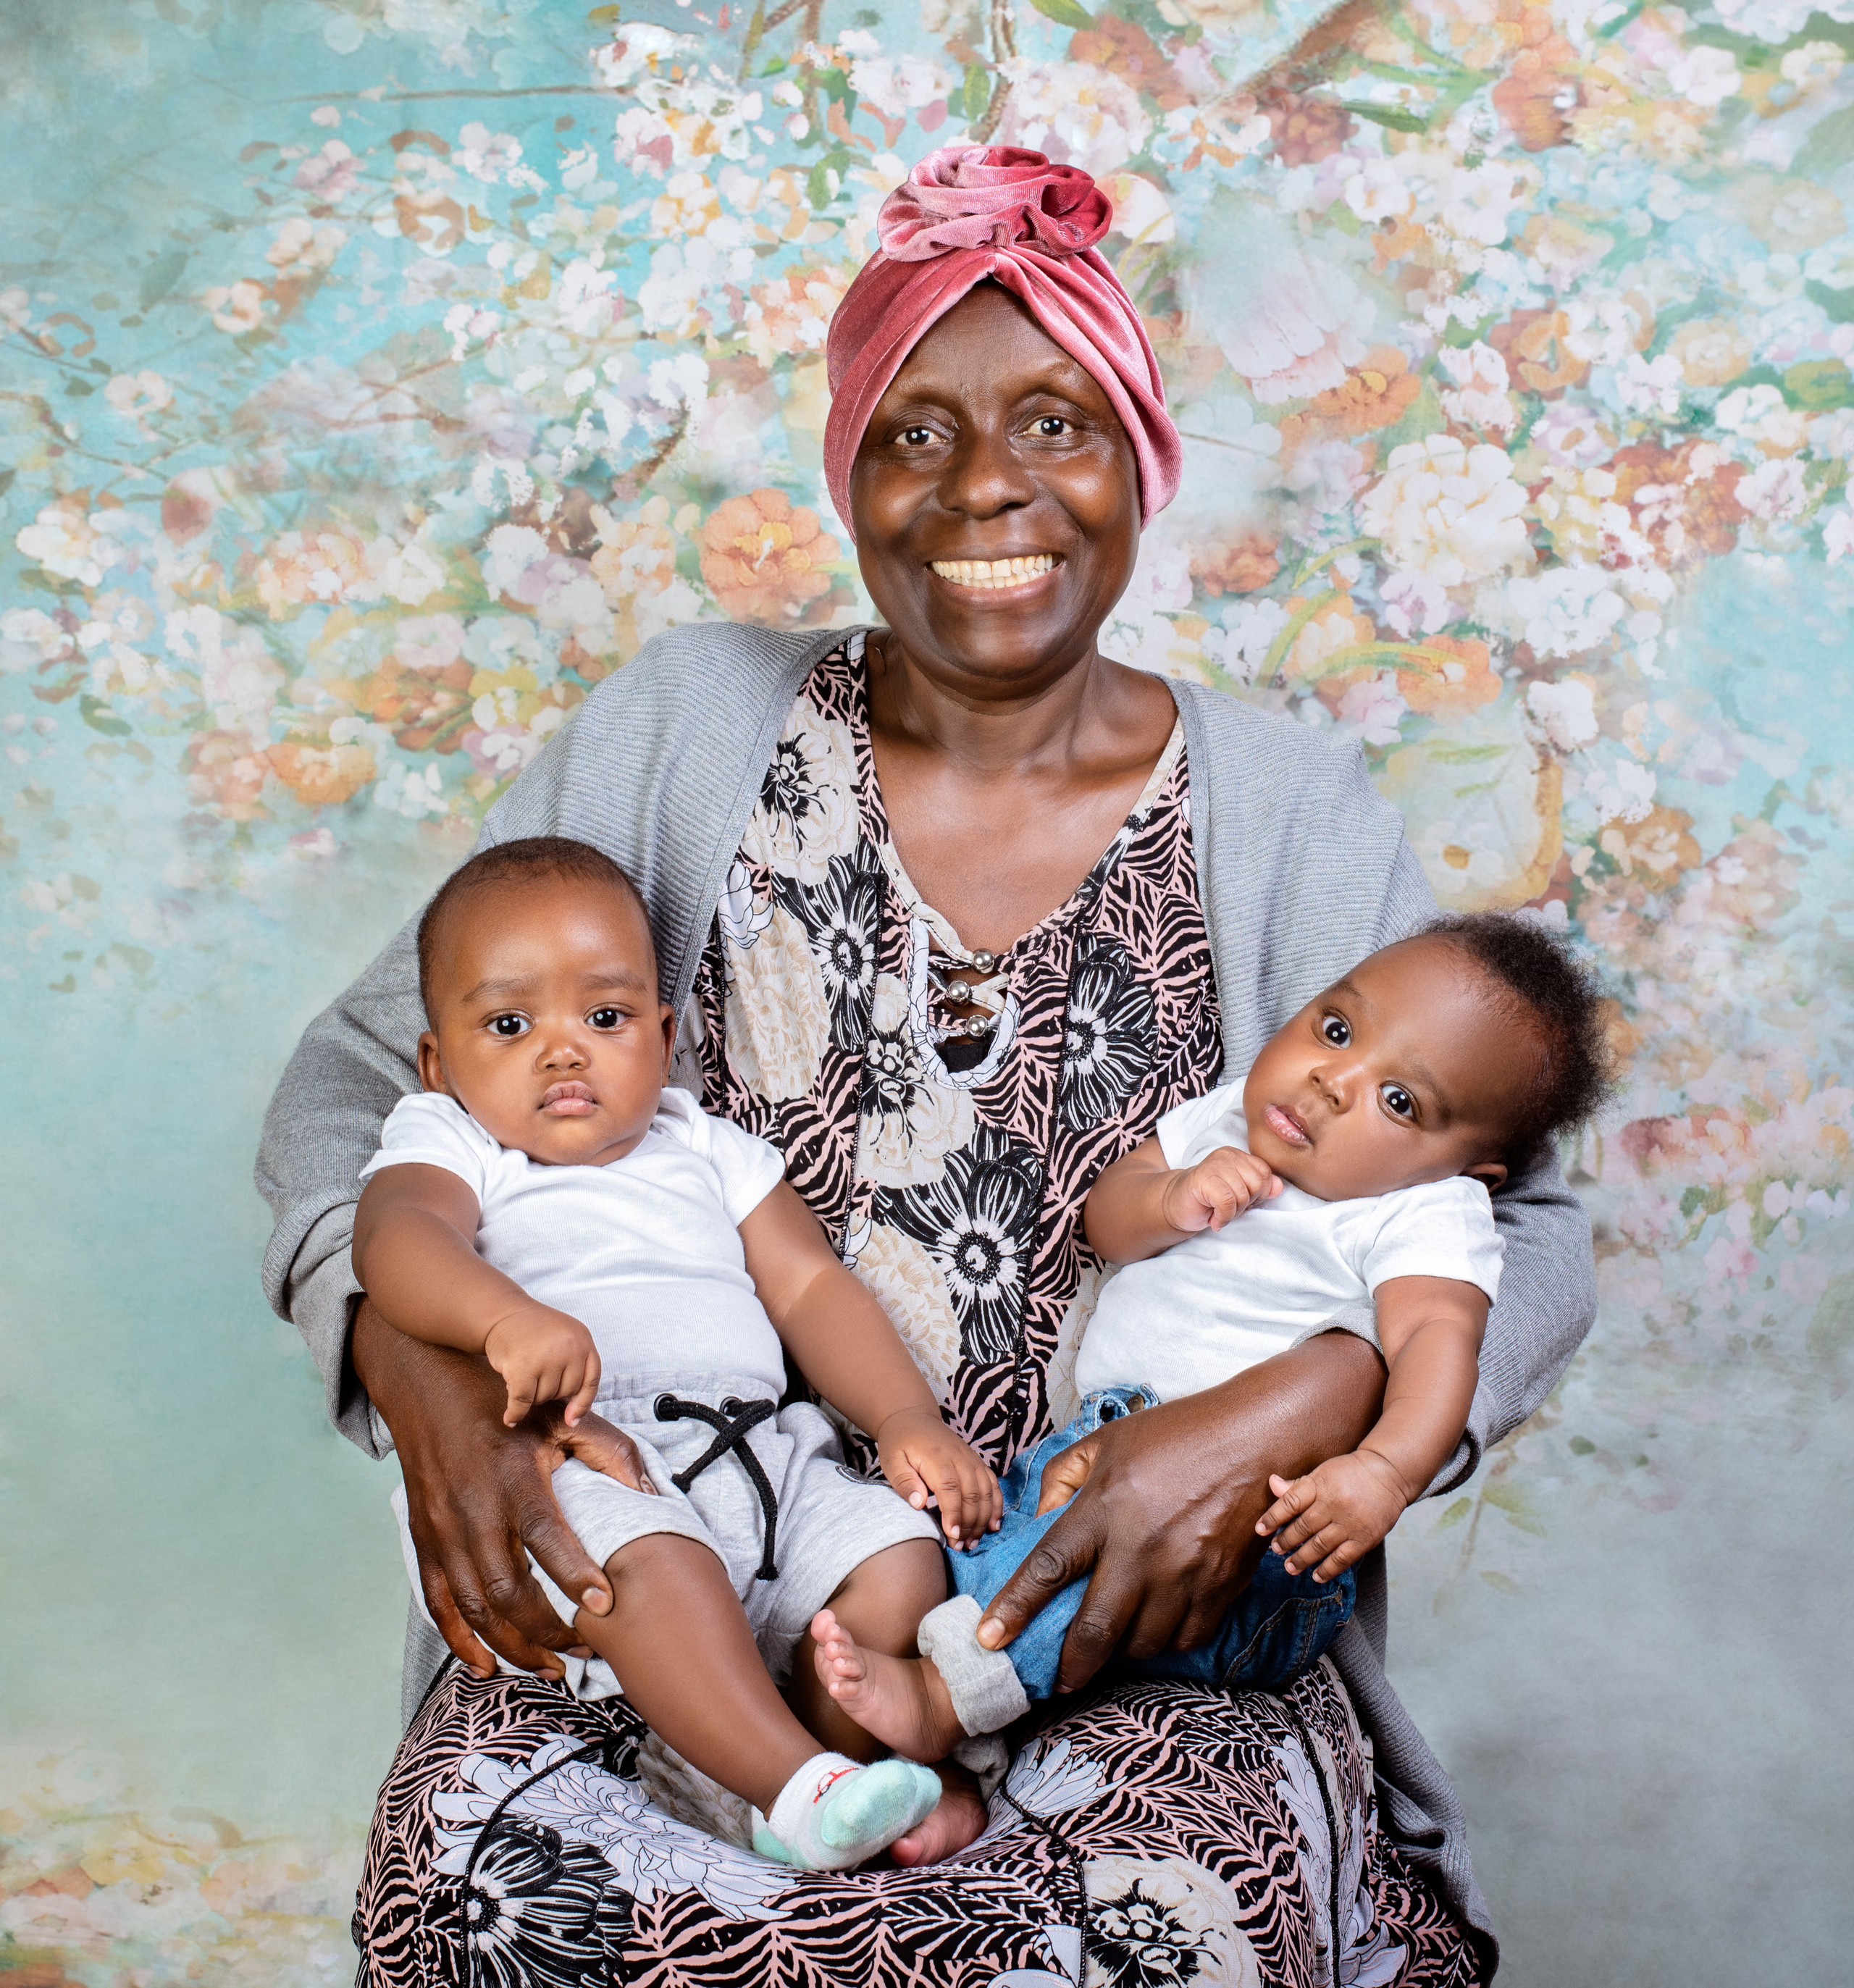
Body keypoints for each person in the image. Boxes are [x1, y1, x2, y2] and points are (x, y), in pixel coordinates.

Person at [259, 145, 1596, 1984]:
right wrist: (413, 1362)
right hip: (688, 1583)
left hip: (1132, 1619)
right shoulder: (687, 726)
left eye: (1053, 421)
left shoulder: (1281, 805)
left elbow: (1520, 1220)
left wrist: (1289, 1406)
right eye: (913, 435)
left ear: (1137, 461)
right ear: (847, 483)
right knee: (501, 1901)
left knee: (1154, 1933)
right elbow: (360, 1082)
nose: (985, 486)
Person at [808, 916, 1611, 1765]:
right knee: (950, 1563)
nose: (1334, 1081)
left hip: (1249, 1526)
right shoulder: (1231, 1117)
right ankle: (949, 1786)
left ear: (1464, 1172)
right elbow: (1109, 1222)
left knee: (1033, 1589)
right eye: (1335, 1030)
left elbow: (1436, 1342)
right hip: (1093, 1445)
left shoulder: (1423, 1213)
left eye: (1400, 1101)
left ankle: (943, 1702)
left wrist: (1383, 1471)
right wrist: (1169, 1197)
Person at [352, 834, 1003, 1869]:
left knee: (895, 1563)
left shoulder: (702, 1146)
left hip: (762, 1454)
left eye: (604, 1018)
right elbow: (397, 1241)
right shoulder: (454, 1142)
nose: (563, 1051)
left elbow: (808, 1286)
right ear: (439, 1062)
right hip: (586, 1457)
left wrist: (902, 1419)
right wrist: (499, 1320)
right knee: (655, 1568)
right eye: (510, 1024)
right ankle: (793, 1781)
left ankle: (828, 1780)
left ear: (663, 1035)